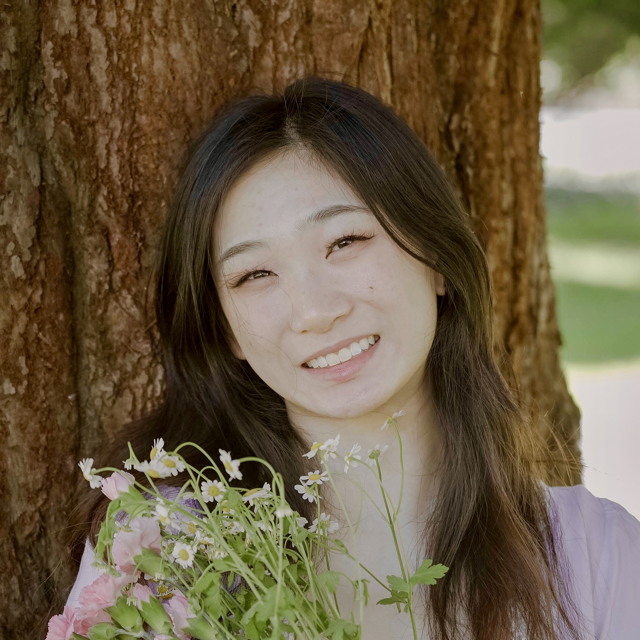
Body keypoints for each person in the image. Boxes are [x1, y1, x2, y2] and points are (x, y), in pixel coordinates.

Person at [63, 77, 640, 639]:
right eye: (255, 274)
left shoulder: (598, 558)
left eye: (345, 242)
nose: (314, 311)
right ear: (226, 331)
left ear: (434, 255)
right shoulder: (164, 553)